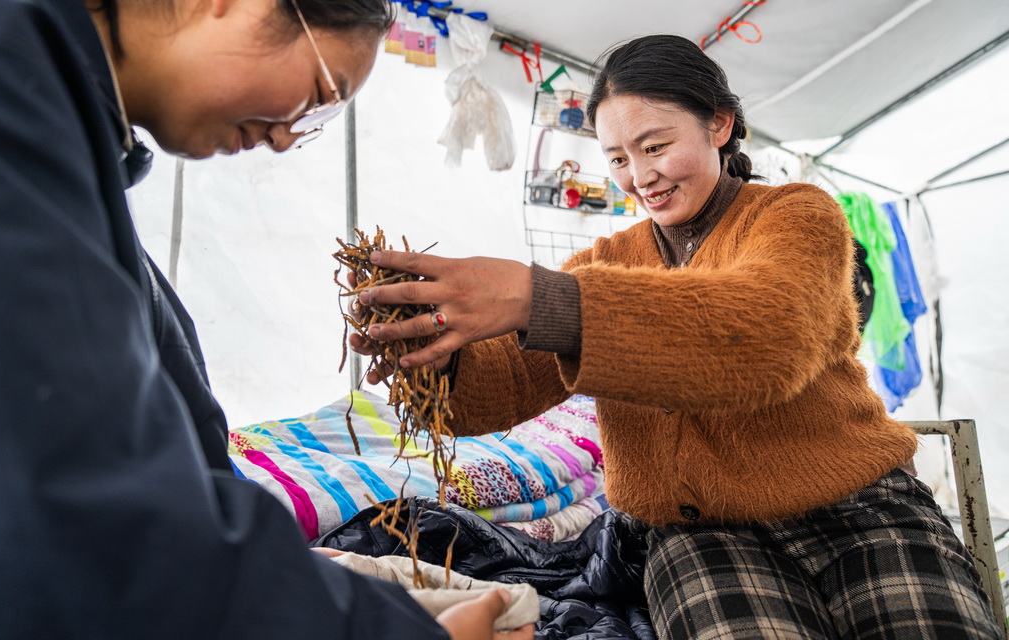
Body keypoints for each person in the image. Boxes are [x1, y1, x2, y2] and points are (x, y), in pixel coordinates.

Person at [349, 35, 1002, 639]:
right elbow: (507, 384)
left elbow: (768, 335)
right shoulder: (606, 264)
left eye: (655, 146)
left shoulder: (797, 216)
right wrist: (430, 353)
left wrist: (536, 296)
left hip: (860, 510)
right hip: (701, 535)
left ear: (719, 123)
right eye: (617, 158)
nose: (639, 176)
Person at [0, 0, 531, 638]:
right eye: (324, 94)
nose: (287, 136)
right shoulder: (8, 103)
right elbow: (98, 523)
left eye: (321, 120)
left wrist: (290, 580)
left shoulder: (65, 135)